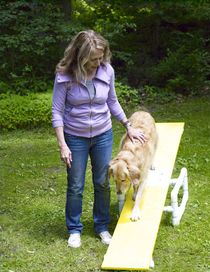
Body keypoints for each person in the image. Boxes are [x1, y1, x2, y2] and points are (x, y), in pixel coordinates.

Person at [52, 30, 145, 248]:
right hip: (75, 136)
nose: (98, 62)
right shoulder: (65, 75)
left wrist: (128, 126)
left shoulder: (107, 71)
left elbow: (112, 101)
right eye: (93, 58)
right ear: (80, 55)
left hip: (103, 133)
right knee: (75, 184)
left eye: (100, 57)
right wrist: (62, 144)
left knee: (102, 182)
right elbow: (57, 111)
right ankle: (74, 229)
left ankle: (102, 226)